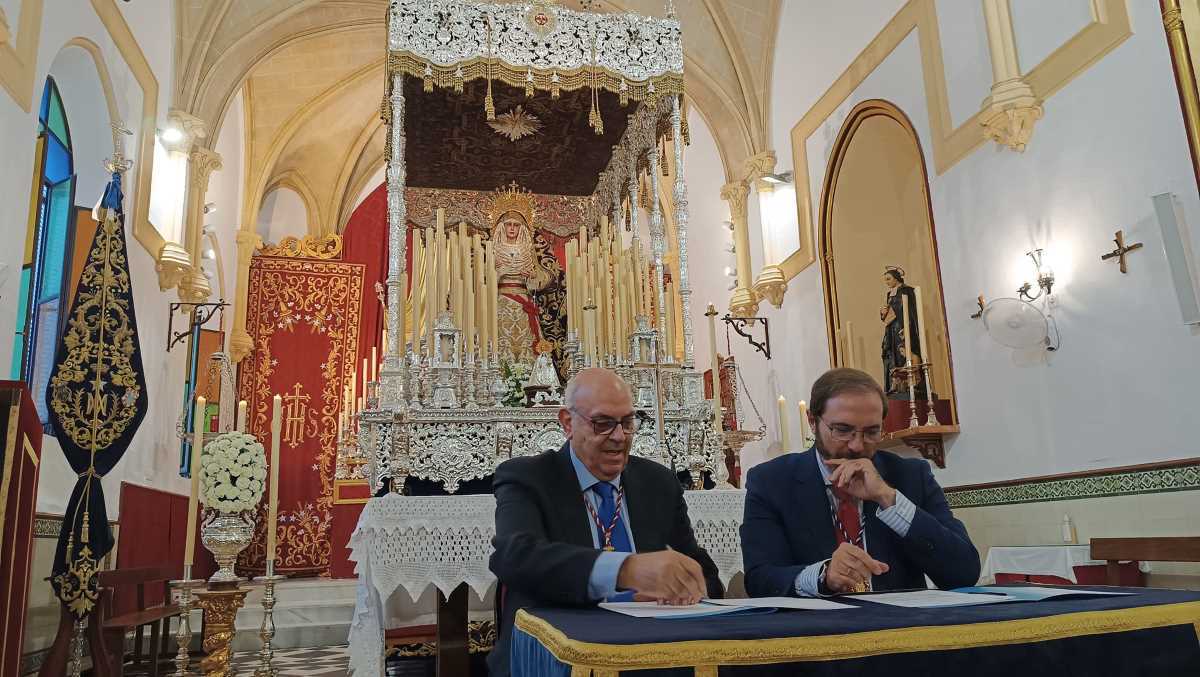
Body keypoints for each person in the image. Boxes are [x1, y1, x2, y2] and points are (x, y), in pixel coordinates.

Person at [488, 368, 723, 676]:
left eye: (627, 422)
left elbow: (705, 575)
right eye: (603, 424)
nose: (619, 436)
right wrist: (625, 570)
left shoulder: (658, 483)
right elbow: (515, 556)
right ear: (567, 423)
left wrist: (689, 589)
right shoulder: (529, 477)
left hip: (653, 654)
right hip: (557, 656)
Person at [741, 368, 979, 597]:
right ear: (812, 422)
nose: (857, 445)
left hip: (901, 629)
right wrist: (822, 576)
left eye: (871, 432)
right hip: (815, 631)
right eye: (843, 430)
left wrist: (889, 499)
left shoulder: (910, 475)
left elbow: (964, 573)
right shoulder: (772, 481)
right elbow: (760, 579)